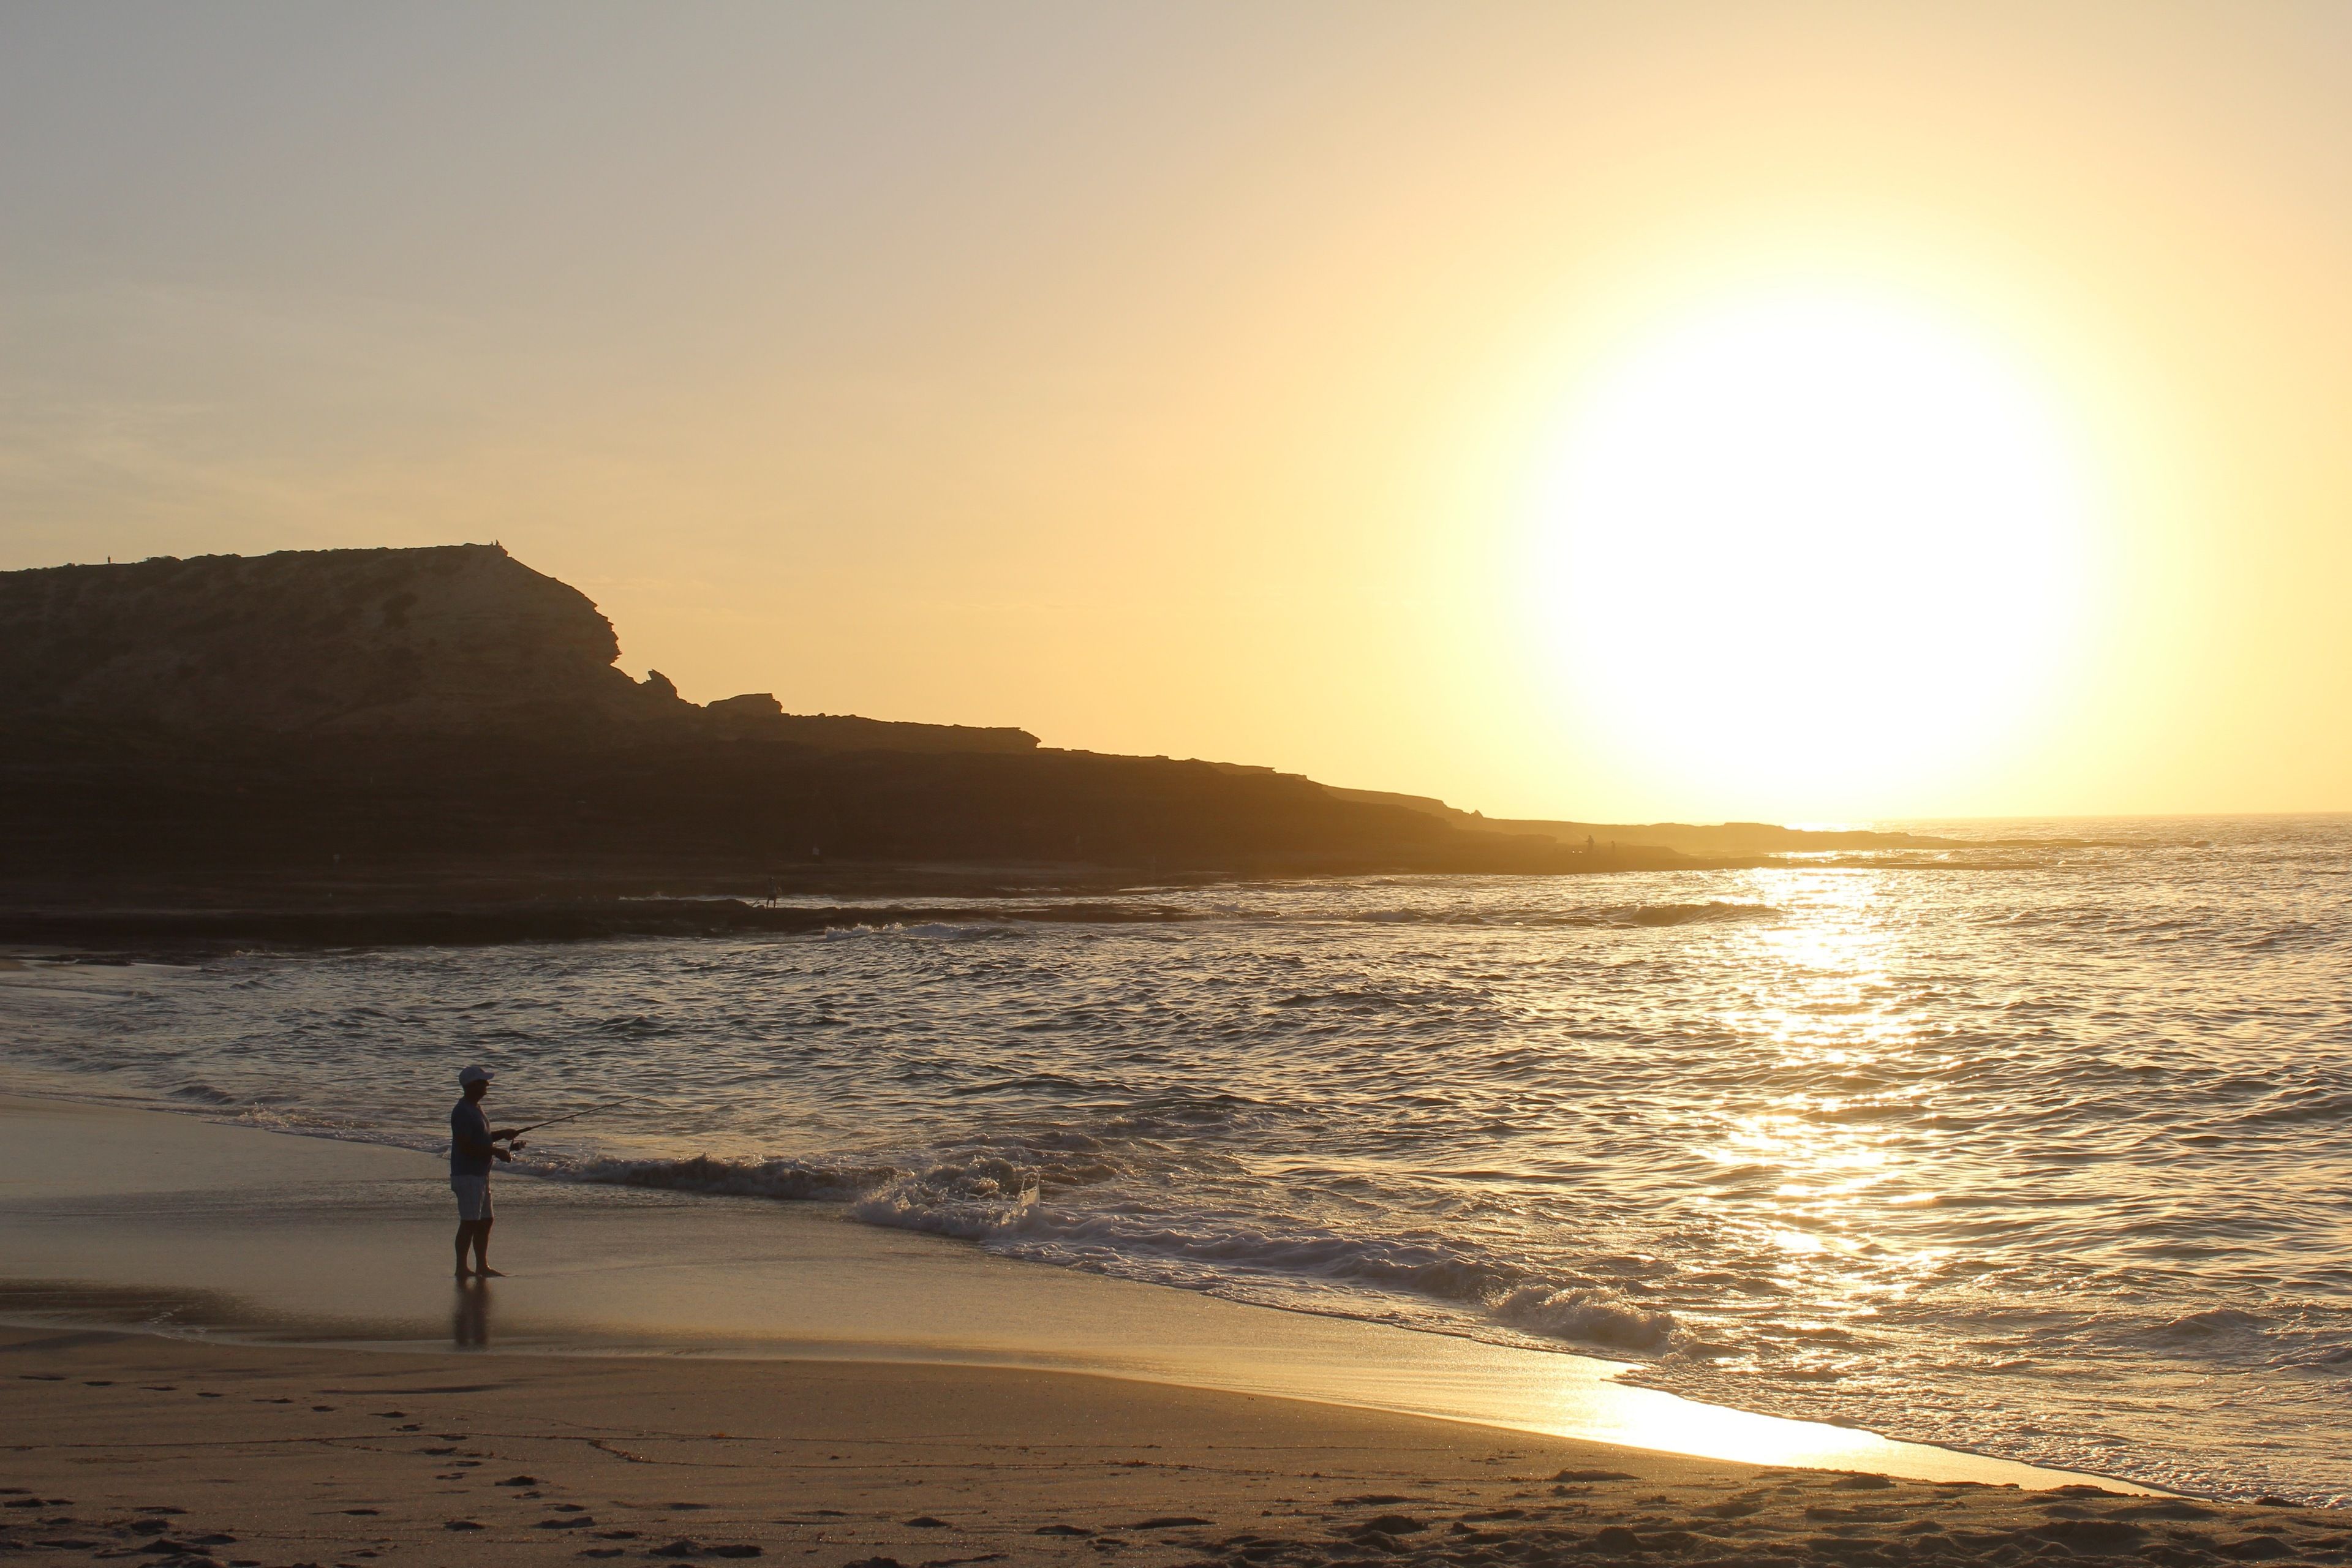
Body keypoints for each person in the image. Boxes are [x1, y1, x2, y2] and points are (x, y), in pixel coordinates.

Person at [450, 1065, 523, 1278]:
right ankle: (461, 1268)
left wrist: (502, 1134)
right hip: (467, 1175)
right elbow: (467, 1147)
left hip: (480, 1176)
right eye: (483, 1082)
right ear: (471, 1085)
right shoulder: (463, 1111)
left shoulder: (476, 1108)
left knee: (486, 1221)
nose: (487, 1085)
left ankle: (482, 1266)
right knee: (469, 1222)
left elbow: (480, 1139)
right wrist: (497, 1152)